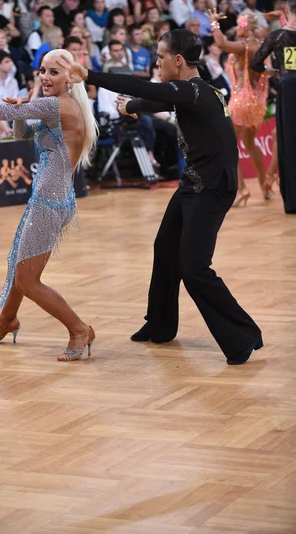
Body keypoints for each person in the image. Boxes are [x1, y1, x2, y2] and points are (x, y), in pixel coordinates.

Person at [58, 30, 263, 365]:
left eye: (160, 57)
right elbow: (157, 99)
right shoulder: (197, 90)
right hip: (196, 182)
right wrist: (133, 107)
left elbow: (149, 90)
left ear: (178, 61)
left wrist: (90, 75)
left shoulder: (192, 90)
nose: (156, 63)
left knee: (195, 268)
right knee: (165, 246)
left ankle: (243, 336)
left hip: (212, 187)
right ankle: (160, 325)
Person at [0, 49, 98, 361]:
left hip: (49, 202)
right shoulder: (60, 107)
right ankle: (6, 321)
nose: (45, 77)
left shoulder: (58, 105)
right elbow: (24, 132)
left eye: (54, 72)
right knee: (20, 267)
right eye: (42, 71)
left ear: (70, 78)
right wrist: (24, 106)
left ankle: (79, 329)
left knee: (26, 279)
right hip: (51, 199)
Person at [207, 10, 270, 205]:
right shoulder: (260, 45)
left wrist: (214, 24)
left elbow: (221, 44)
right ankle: (264, 184)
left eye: (238, 25)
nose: (236, 29)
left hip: (241, 102)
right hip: (256, 103)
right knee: (250, 143)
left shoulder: (245, 47)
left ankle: (241, 189)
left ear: (244, 27)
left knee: (226, 145)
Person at [251, 0, 296, 213]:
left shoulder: (277, 37)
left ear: (287, 11)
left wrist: (275, 74)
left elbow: (256, 62)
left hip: (287, 90)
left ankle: (292, 200)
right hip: (288, 87)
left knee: (289, 142)